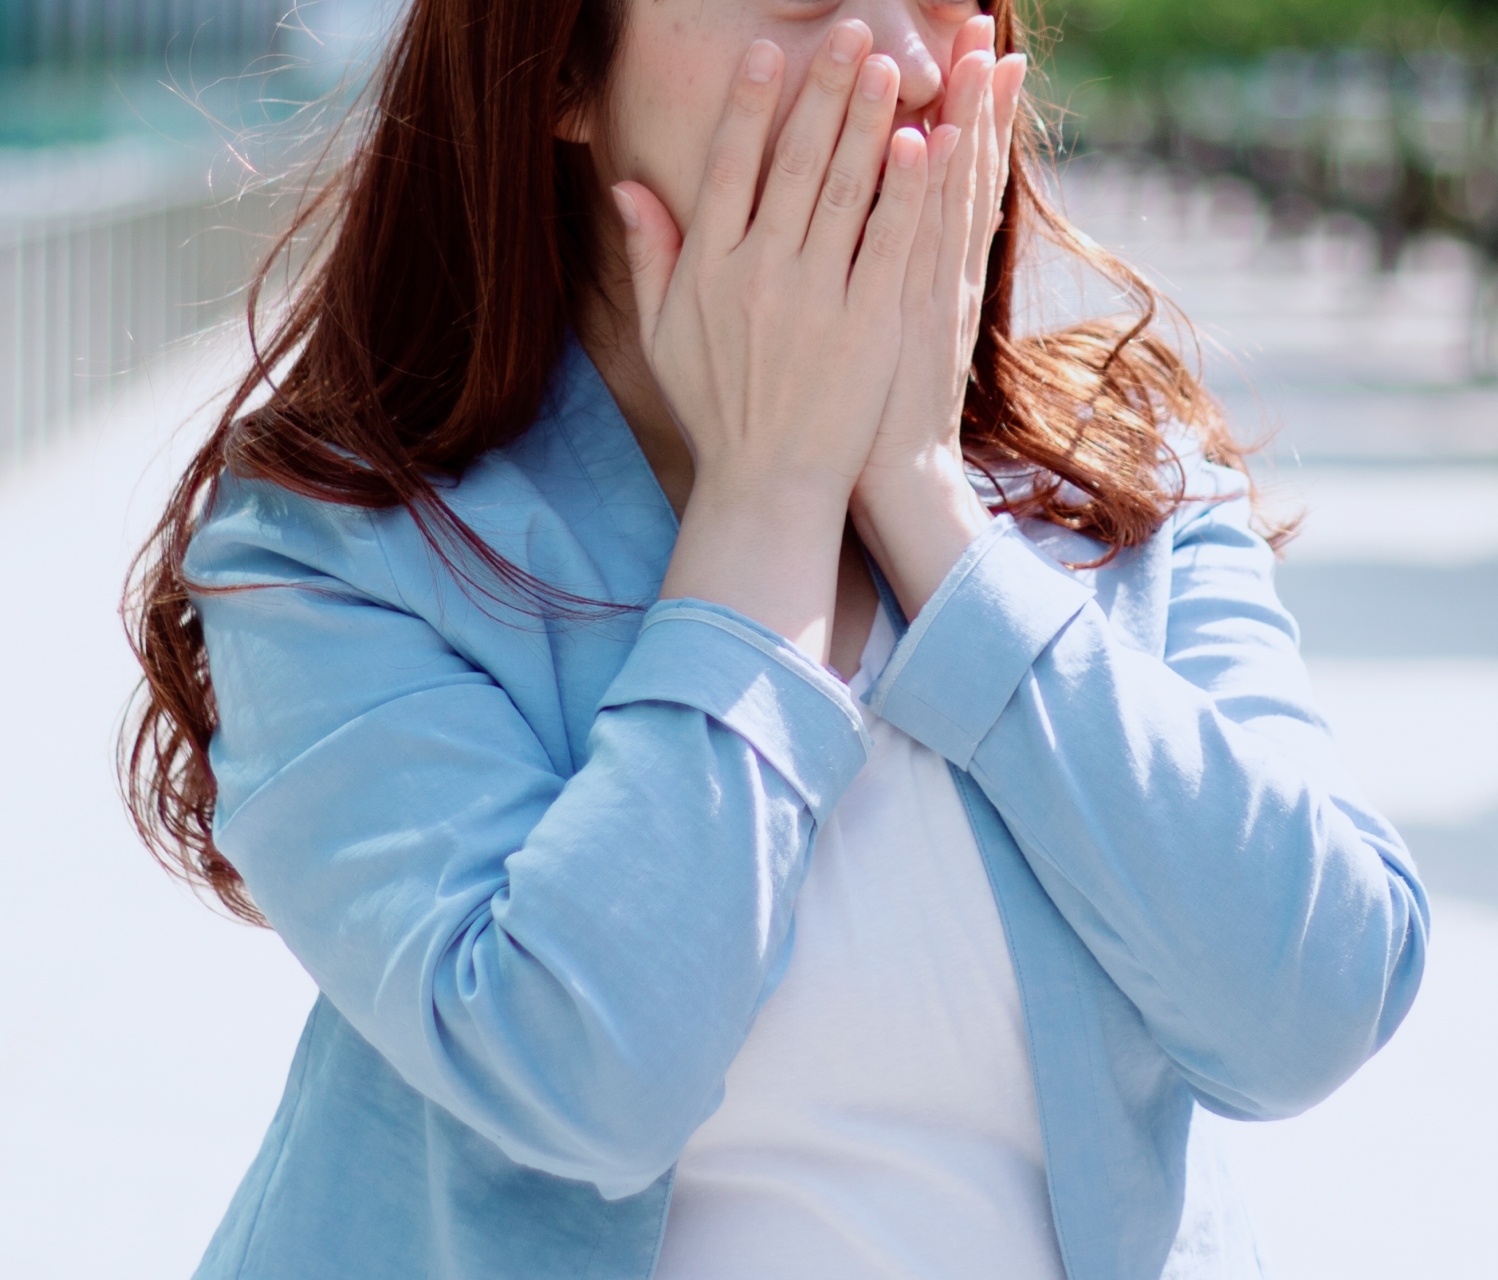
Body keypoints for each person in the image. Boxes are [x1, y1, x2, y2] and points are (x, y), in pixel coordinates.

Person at [123, 1, 1429, 1277]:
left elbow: (1315, 1009)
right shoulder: (341, 548)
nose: (907, 60)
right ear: (561, 68)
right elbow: (581, 1079)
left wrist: (926, 500)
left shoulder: (1128, 482)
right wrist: (769, 501)